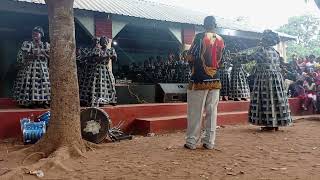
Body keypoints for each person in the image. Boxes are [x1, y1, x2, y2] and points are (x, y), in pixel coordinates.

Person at [233, 30, 292, 130]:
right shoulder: (275, 52)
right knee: (276, 100)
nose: (261, 40)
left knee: (267, 101)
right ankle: (276, 123)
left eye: (263, 39)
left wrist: (236, 58)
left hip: (265, 79)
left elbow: (248, 59)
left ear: (266, 40)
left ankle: (269, 124)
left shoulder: (262, 50)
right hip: (277, 79)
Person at [185, 16, 224, 150]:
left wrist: (188, 59)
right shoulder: (220, 39)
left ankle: (191, 141)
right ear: (215, 24)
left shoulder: (200, 37)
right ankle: (209, 142)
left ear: (204, 25)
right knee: (212, 112)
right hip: (215, 80)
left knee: (195, 112)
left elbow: (191, 56)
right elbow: (222, 61)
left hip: (199, 79)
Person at [13, 26, 50, 107]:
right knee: (30, 85)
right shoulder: (28, 44)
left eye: (38, 33)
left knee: (43, 85)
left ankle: (43, 102)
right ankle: (30, 102)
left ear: (41, 34)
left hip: (42, 68)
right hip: (30, 67)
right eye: (34, 33)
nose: (35, 35)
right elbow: (24, 56)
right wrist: (34, 55)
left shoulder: (46, 45)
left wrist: (44, 53)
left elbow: (50, 57)